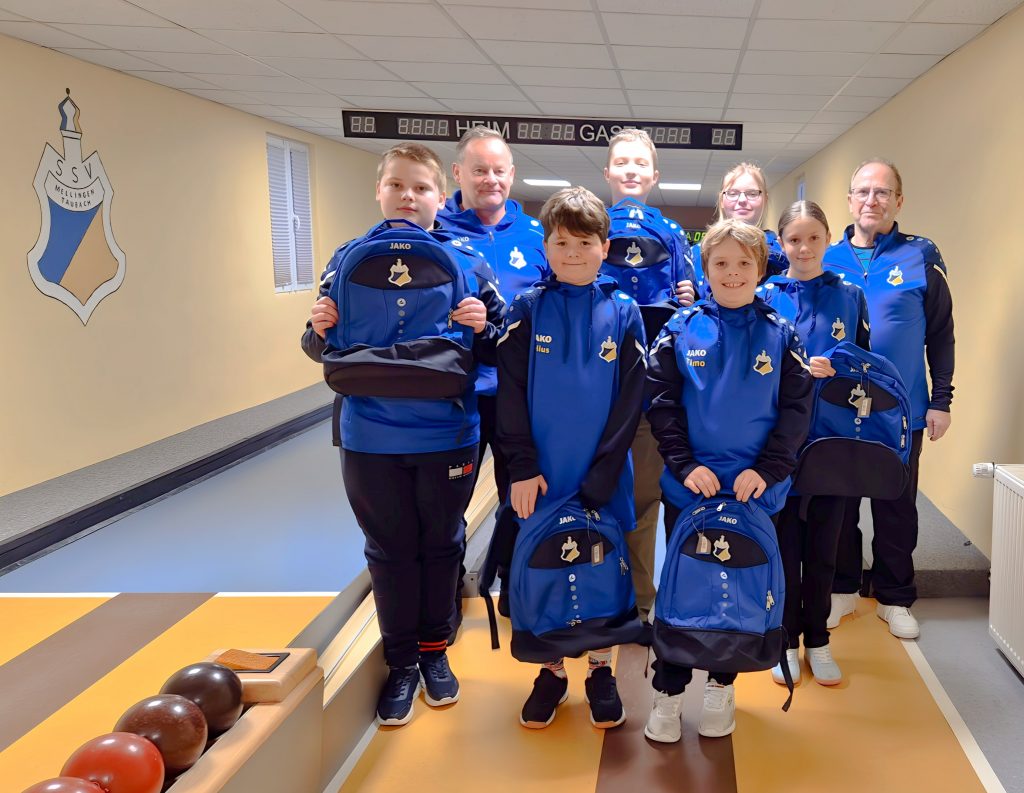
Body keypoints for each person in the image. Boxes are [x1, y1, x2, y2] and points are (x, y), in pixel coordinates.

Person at [300, 142, 503, 726]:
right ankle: (401, 663)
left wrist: (484, 326)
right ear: (379, 191)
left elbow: (500, 350)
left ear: (441, 196)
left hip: (447, 433)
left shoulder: (469, 262)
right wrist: (317, 329)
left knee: (441, 545)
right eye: (397, 185)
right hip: (369, 436)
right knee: (388, 550)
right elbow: (319, 350)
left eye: (420, 187)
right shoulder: (345, 260)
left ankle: (435, 652)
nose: (408, 196)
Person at [644, 219, 812, 743]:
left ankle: (721, 685)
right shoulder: (680, 328)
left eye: (744, 263)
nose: (732, 273)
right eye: (721, 263)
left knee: (738, 590)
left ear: (760, 270)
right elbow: (661, 402)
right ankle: (669, 691)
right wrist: (683, 464)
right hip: (691, 489)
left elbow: (797, 411)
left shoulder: (781, 333)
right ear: (705, 269)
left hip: (755, 492)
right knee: (685, 587)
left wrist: (768, 470)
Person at [496, 186, 645, 729]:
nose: (574, 252)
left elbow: (631, 399)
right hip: (541, 473)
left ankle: (601, 671)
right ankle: (552, 672)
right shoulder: (526, 310)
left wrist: (605, 472)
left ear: (605, 247)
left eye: (585, 242)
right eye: (562, 242)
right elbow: (510, 396)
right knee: (546, 569)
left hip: (603, 472)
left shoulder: (624, 311)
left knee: (602, 567)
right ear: (546, 248)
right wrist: (521, 467)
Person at [822, 159, 954, 640]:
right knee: (840, 503)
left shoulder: (921, 256)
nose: (871, 200)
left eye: (882, 192)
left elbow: (941, 334)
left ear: (899, 200)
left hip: (902, 409)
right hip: (837, 409)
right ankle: (842, 588)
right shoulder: (826, 257)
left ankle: (895, 596)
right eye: (862, 191)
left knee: (896, 504)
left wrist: (942, 399)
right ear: (849, 200)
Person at [437, 126, 548, 626]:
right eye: (479, 170)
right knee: (448, 503)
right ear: (458, 173)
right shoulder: (435, 233)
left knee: (521, 495)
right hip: (456, 392)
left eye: (499, 170)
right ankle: (447, 599)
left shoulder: (536, 236)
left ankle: (514, 589)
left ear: (512, 174)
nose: (490, 179)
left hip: (519, 394)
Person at [758, 201, 870, 686]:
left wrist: (839, 369)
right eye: (794, 239)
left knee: (826, 546)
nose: (804, 248)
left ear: (827, 239)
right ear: (782, 243)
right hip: (779, 445)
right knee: (784, 548)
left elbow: (865, 366)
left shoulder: (850, 295)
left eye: (813, 238)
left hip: (832, 442)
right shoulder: (764, 296)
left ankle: (819, 640)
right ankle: (784, 639)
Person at [600, 128, 696, 626]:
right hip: (595, 392)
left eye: (640, 163)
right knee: (593, 495)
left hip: (649, 391)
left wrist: (689, 297)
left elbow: (694, 317)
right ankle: (598, 596)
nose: (631, 170)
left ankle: (640, 602)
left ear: (655, 175)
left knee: (643, 501)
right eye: (622, 162)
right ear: (607, 172)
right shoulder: (590, 227)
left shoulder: (674, 235)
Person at [692, 162, 788, 295]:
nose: (742, 200)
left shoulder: (785, 254)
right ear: (722, 200)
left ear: (765, 199)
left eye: (752, 193)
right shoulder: (696, 255)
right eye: (732, 193)